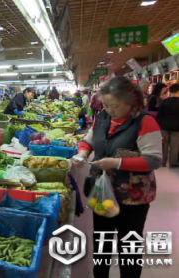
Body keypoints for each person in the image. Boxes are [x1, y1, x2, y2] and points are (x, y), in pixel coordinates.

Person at [72, 76, 162, 278]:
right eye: (106, 104)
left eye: (115, 105)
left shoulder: (145, 121)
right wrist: (83, 153)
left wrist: (117, 163)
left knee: (128, 245)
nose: (110, 109)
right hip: (102, 191)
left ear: (131, 102)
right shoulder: (103, 116)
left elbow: (154, 159)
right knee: (101, 242)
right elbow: (88, 140)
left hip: (132, 196)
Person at [157, 83, 179, 168]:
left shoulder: (165, 101)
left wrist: (161, 123)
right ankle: (173, 162)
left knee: (164, 145)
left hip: (164, 126)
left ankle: (163, 161)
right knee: (175, 145)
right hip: (177, 127)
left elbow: (159, 114)